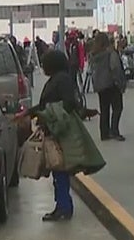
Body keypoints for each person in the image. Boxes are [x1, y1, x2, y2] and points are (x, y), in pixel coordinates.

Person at [15, 49, 96, 222]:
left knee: (59, 169)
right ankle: (62, 206)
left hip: (58, 129)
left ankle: (64, 207)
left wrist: (48, 115)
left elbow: (65, 103)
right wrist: (29, 113)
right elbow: (48, 104)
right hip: (53, 127)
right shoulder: (59, 79)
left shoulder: (61, 80)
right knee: (58, 170)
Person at [88, 33, 126, 141]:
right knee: (117, 108)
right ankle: (114, 131)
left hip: (100, 85)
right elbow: (115, 68)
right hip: (111, 84)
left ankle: (104, 133)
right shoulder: (110, 53)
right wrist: (120, 83)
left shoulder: (94, 55)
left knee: (104, 110)